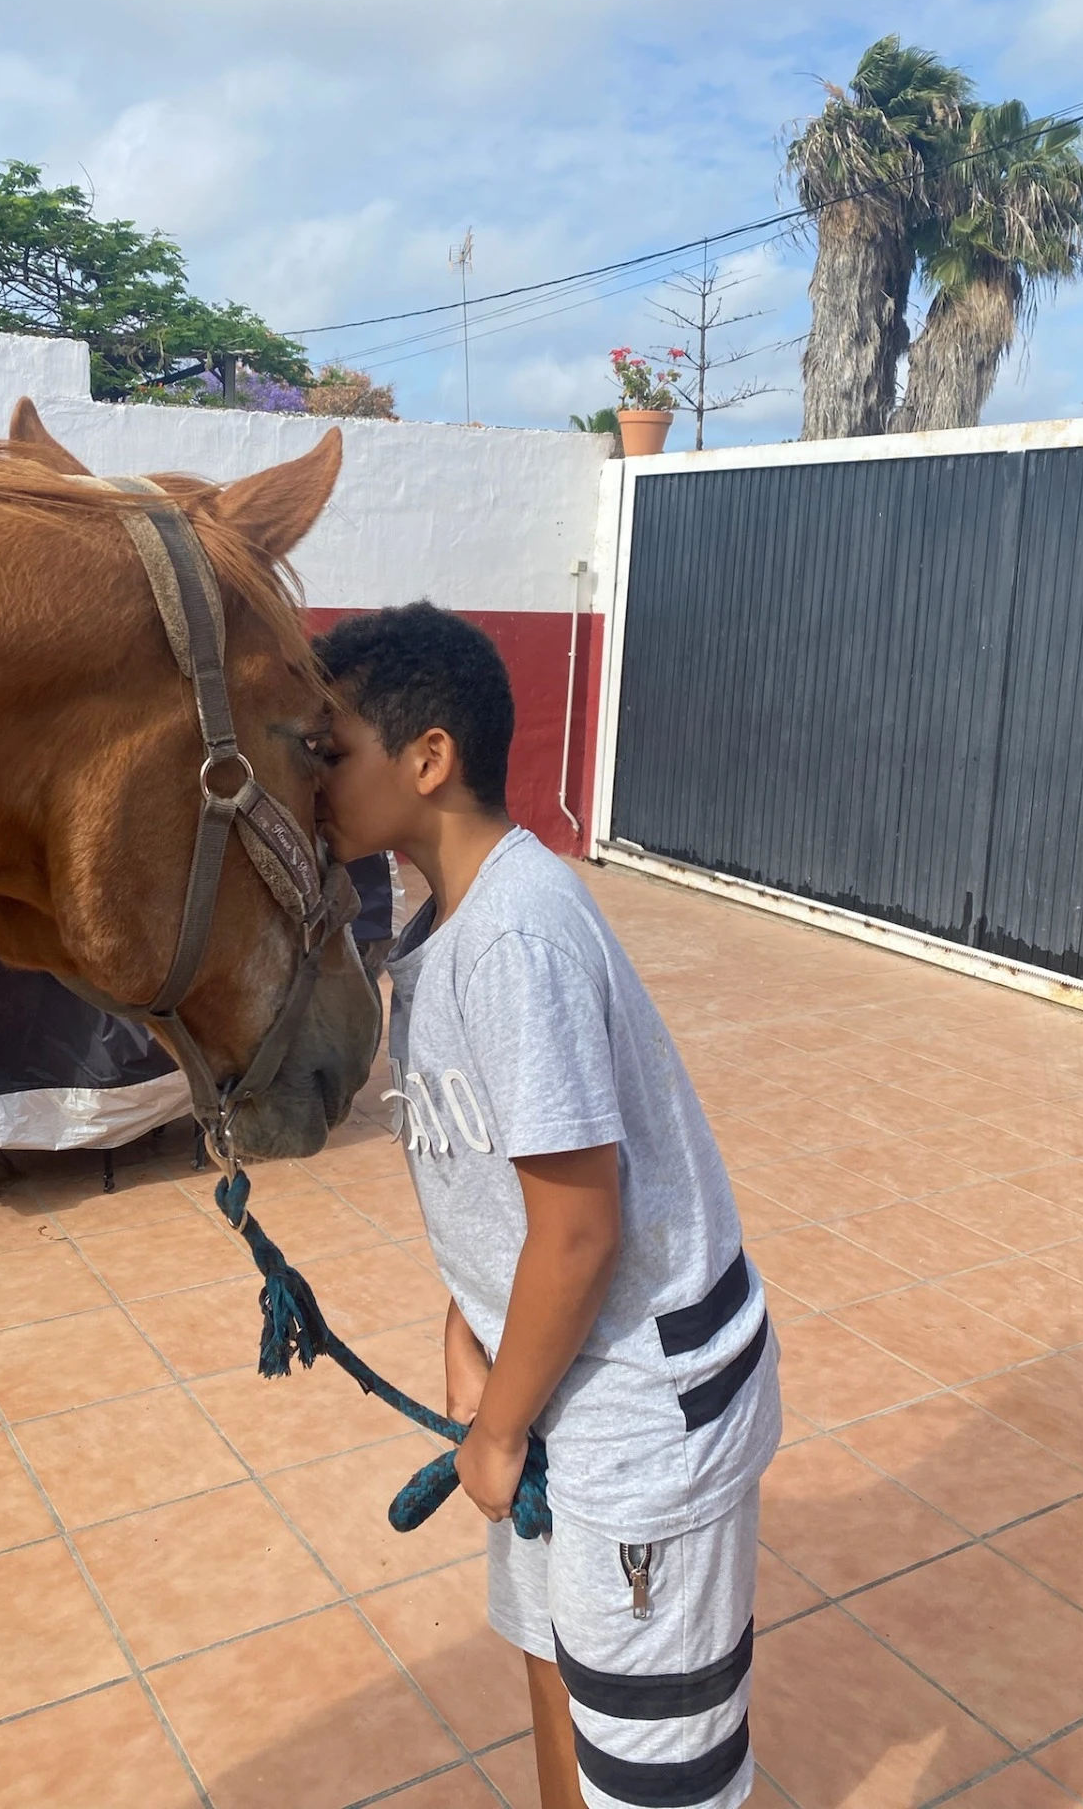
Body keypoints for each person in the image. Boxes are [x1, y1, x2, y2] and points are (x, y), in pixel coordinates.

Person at [312, 604, 781, 1809]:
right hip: (550, 1386)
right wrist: (472, 1336)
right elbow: (500, 1194)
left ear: (427, 761)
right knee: (552, 1670)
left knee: (653, 1774)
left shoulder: (515, 935)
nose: (309, 782)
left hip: (637, 1419)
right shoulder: (447, 923)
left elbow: (579, 1226)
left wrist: (502, 1428)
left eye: (330, 752)